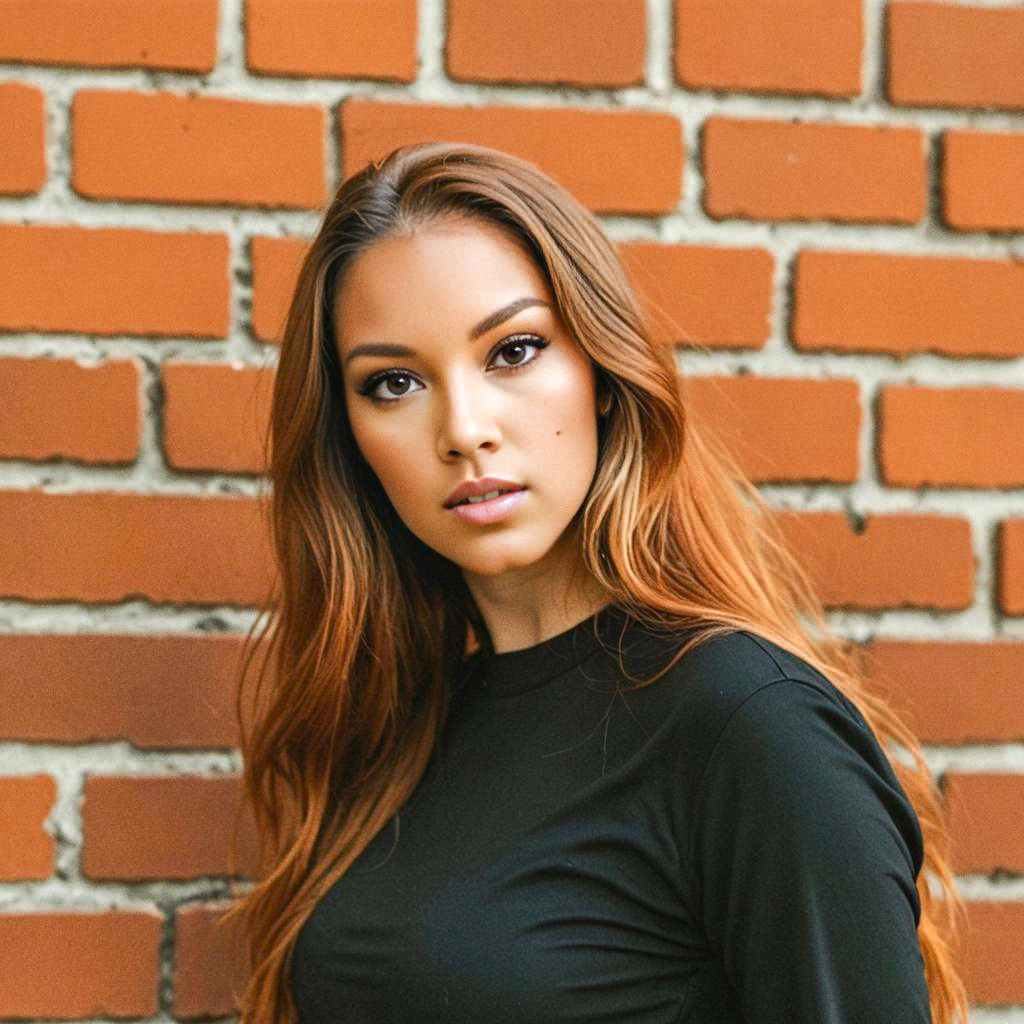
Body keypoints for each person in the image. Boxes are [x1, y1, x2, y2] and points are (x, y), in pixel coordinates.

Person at [232, 141, 967, 1023]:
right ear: (348, 432)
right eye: (394, 382)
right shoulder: (408, 726)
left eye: (513, 351)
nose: (464, 429)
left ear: (604, 375)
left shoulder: (749, 724)